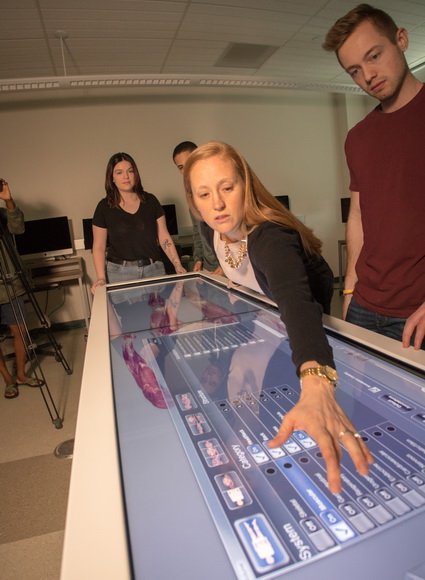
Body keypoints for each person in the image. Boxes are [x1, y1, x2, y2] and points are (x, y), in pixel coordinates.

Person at [183, 141, 373, 493]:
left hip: (299, 316)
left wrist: (315, 380)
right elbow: (233, 263)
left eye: (227, 187)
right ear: (194, 202)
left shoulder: (271, 239)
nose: (218, 204)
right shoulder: (212, 229)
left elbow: (297, 304)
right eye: (204, 194)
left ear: (246, 185)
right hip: (267, 316)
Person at [323, 4, 425, 350]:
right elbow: (358, 216)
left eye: (374, 56)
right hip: (363, 307)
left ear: (401, 39)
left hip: (419, 312)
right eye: (354, 70)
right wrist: (349, 289)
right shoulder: (358, 137)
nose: (368, 74)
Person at [91, 152, 186, 294]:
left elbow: (164, 236)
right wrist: (101, 278)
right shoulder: (104, 207)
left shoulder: (151, 201)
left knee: (160, 316)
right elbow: (98, 247)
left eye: (130, 171)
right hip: (120, 274)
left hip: (154, 270)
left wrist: (178, 265)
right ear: (112, 178)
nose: (126, 176)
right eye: (119, 172)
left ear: (136, 174)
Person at [0, 178, 44, 398]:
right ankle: (7, 379)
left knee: (21, 331)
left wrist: (8, 200)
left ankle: (21, 374)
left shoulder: (1, 215)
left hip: (10, 284)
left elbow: (18, 227)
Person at [172, 141, 223, 276]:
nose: (186, 170)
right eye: (181, 167)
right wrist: (198, 259)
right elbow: (197, 232)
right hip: (209, 269)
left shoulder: (219, 188)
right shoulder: (192, 196)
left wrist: (227, 267)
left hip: (230, 270)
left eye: (189, 162)